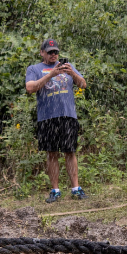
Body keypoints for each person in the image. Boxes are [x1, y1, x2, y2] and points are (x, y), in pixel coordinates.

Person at [24, 39, 87, 203]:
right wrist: (51, 75)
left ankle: (75, 189)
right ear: (42, 52)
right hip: (47, 117)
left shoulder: (68, 66)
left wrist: (71, 73)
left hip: (67, 115)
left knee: (70, 151)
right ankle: (55, 190)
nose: (54, 55)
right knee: (52, 153)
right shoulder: (34, 69)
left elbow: (83, 84)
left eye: (56, 52)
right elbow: (30, 88)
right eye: (50, 51)